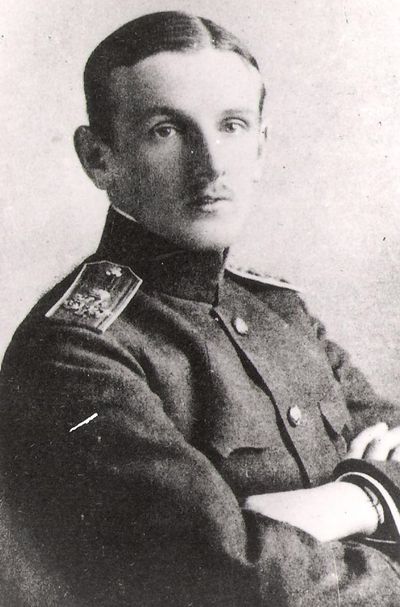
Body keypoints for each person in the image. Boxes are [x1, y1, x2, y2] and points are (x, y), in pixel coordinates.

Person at [0, 11, 400, 606]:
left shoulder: (282, 312)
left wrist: (354, 500)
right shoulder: (74, 349)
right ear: (98, 157)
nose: (212, 164)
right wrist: (380, 507)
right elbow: (229, 575)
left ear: (261, 145)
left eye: (232, 126)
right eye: (166, 130)